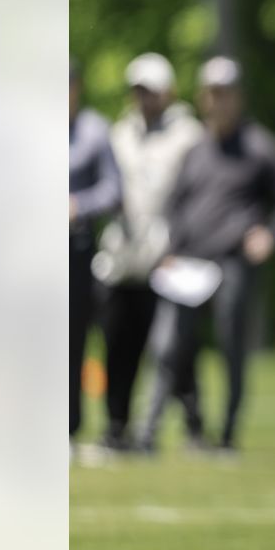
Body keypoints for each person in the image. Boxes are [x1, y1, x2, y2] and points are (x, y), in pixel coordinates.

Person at [139, 56, 275, 453]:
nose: (220, 101)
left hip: (232, 262)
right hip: (188, 264)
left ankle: (227, 436)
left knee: (232, 347)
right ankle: (149, 434)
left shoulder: (259, 146)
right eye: (213, 93)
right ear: (202, 98)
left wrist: (270, 234)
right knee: (167, 347)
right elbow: (177, 204)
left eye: (226, 93)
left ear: (239, 97)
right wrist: (171, 250)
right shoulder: (196, 149)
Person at [93, 53, 204, 450]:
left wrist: (185, 244)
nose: (144, 98)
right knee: (119, 346)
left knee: (173, 349)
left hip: (168, 256)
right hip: (125, 258)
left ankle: (192, 425)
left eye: (151, 90)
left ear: (168, 91)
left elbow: (196, 195)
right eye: (138, 90)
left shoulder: (189, 134)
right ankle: (117, 426)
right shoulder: (120, 133)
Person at [70, 59, 122, 444]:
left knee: (73, 339)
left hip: (76, 249)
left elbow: (112, 190)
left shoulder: (94, 131)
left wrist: (78, 205)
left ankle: (68, 428)